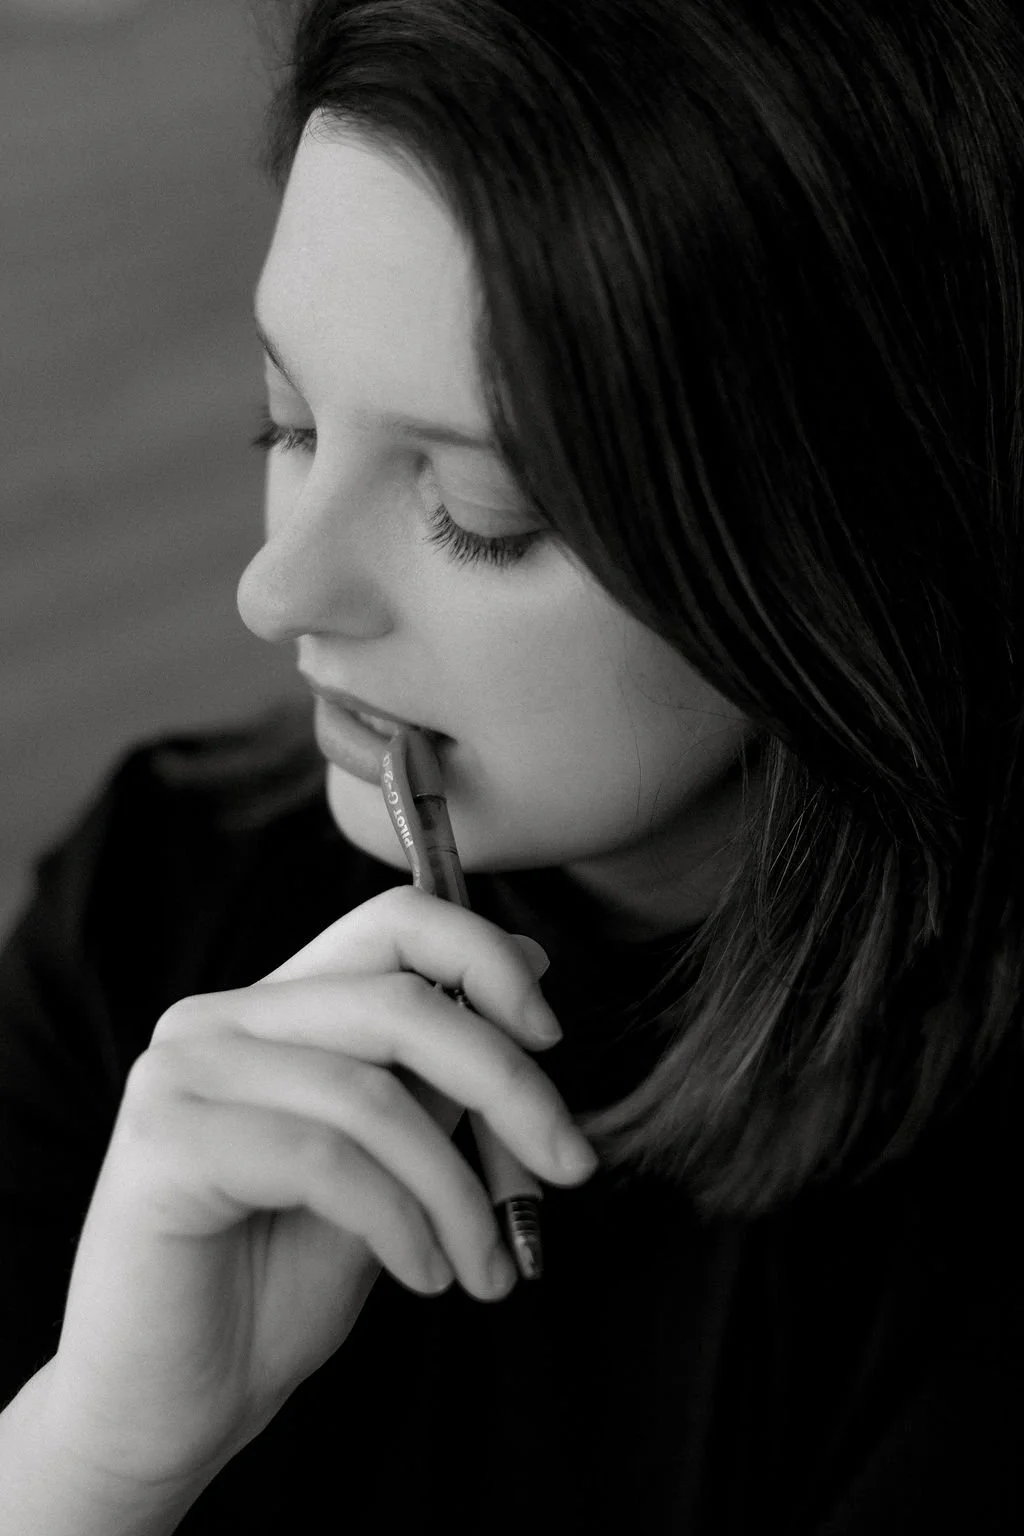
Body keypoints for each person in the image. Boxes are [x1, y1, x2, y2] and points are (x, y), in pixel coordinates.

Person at [1, 1, 1022, 1530]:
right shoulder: (166, 895)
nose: (277, 592)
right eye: (288, 423)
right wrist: (91, 1459)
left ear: (851, 542)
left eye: (481, 508)